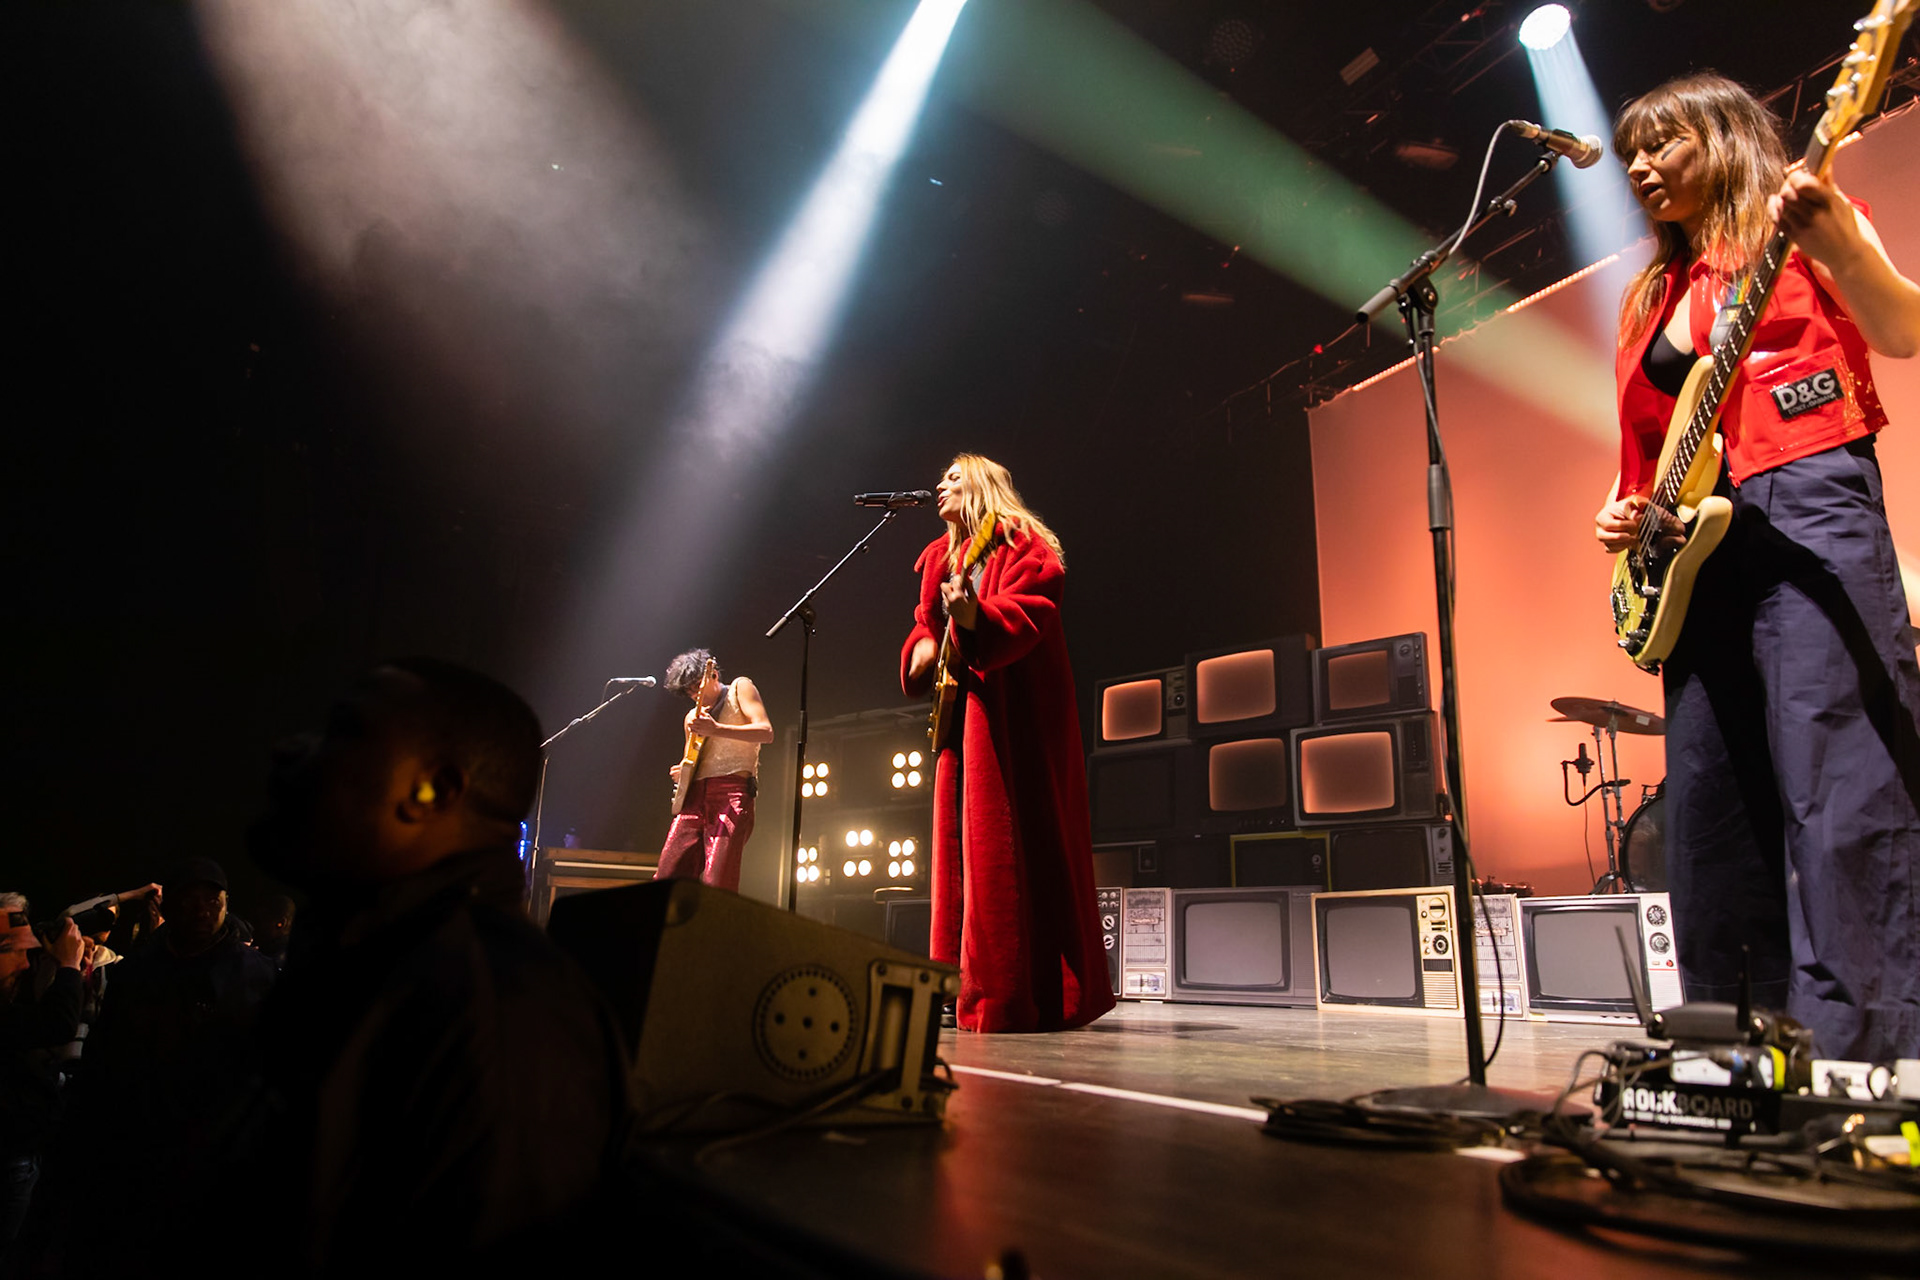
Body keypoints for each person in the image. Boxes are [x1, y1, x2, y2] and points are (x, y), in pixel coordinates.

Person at [1594, 73, 1920, 1061]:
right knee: (1707, 810)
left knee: (1843, 782)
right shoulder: (1653, 293)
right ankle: (1737, 1043)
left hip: (1809, 506)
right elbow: (1654, 445)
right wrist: (1630, 512)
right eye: (1631, 155)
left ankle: (1869, 1054)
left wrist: (1837, 241)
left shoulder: (1803, 222)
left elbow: (1903, 328)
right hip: (1696, 554)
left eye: (1664, 143)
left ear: (1729, 136)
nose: (1642, 167)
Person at [245, 657, 632, 1273]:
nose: (289, 748)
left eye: (343, 731)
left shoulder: (503, 1018)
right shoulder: (384, 963)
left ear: (435, 791)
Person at [901, 454, 1115, 1034]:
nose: (939, 484)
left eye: (952, 476)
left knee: (1004, 844)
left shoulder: (1022, 543)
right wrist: (923, 645)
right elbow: (926, 622)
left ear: (982, 484)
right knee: (960, 848)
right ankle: (960, 983)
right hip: (963, 713)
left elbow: (1035, 606)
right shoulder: (939, 557)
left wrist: (977, 616)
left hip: (1013, 714)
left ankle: (1016, 990)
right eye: (939, 476)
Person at [657, 648, 772, 892]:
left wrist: (716, 729)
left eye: (697, 684)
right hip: (694, 798)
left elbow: (765, 732)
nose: (694, 693)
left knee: (717, 880)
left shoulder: (740, 688)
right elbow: (692, 761)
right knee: (668, 874)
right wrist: (683, 772)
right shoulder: (692, 717)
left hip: (731, 793)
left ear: (713, 675)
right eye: (688, 690)